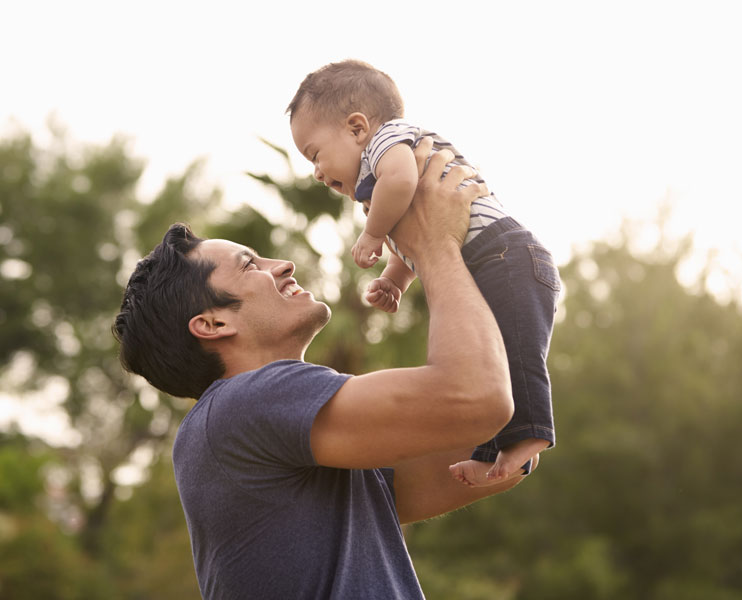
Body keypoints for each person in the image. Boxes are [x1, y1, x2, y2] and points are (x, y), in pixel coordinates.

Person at [113, 143, 527, 599]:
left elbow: (489, 448)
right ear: (213, 324)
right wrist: (433, 246)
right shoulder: (246, 402)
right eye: (250, 264)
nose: (283, 265)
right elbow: (478, 399)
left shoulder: (286, 440)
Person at [287, 59, 561, 486]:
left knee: (517, 351)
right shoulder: (374, 175)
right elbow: (414, 237)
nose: (317, 172)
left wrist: (372, 235)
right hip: (488, 259)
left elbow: (402, 182)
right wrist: (395, 278)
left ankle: (530, 438)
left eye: (315, 154)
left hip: (505, 254)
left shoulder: (387, 142)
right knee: (490, 362)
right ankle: (495, 451)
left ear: (357, 128)